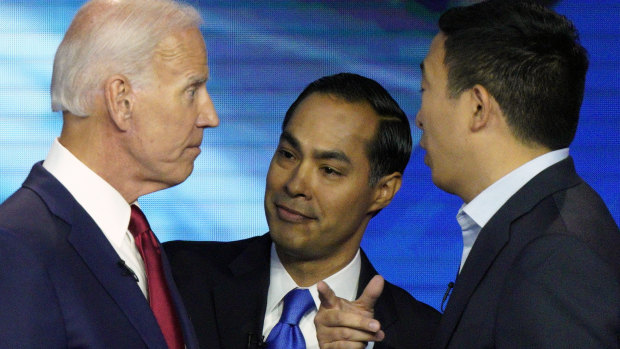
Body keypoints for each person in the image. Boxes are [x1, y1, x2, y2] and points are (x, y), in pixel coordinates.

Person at [313, 1, 620, 348]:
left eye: (425, 90)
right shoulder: (540, 225)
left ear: (477, 107)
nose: (420, 118)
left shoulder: (555, 259)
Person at [164, 73, 440, 349]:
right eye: (288, 154)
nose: (295, 184)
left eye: (329, 170)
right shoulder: (174, 276)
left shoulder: (425, 337)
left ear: (383, 191)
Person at [0, 0, 219, 348]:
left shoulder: (137, 240)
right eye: (191, 90)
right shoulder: (17, 249)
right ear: (121, 101)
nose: (210, 116)